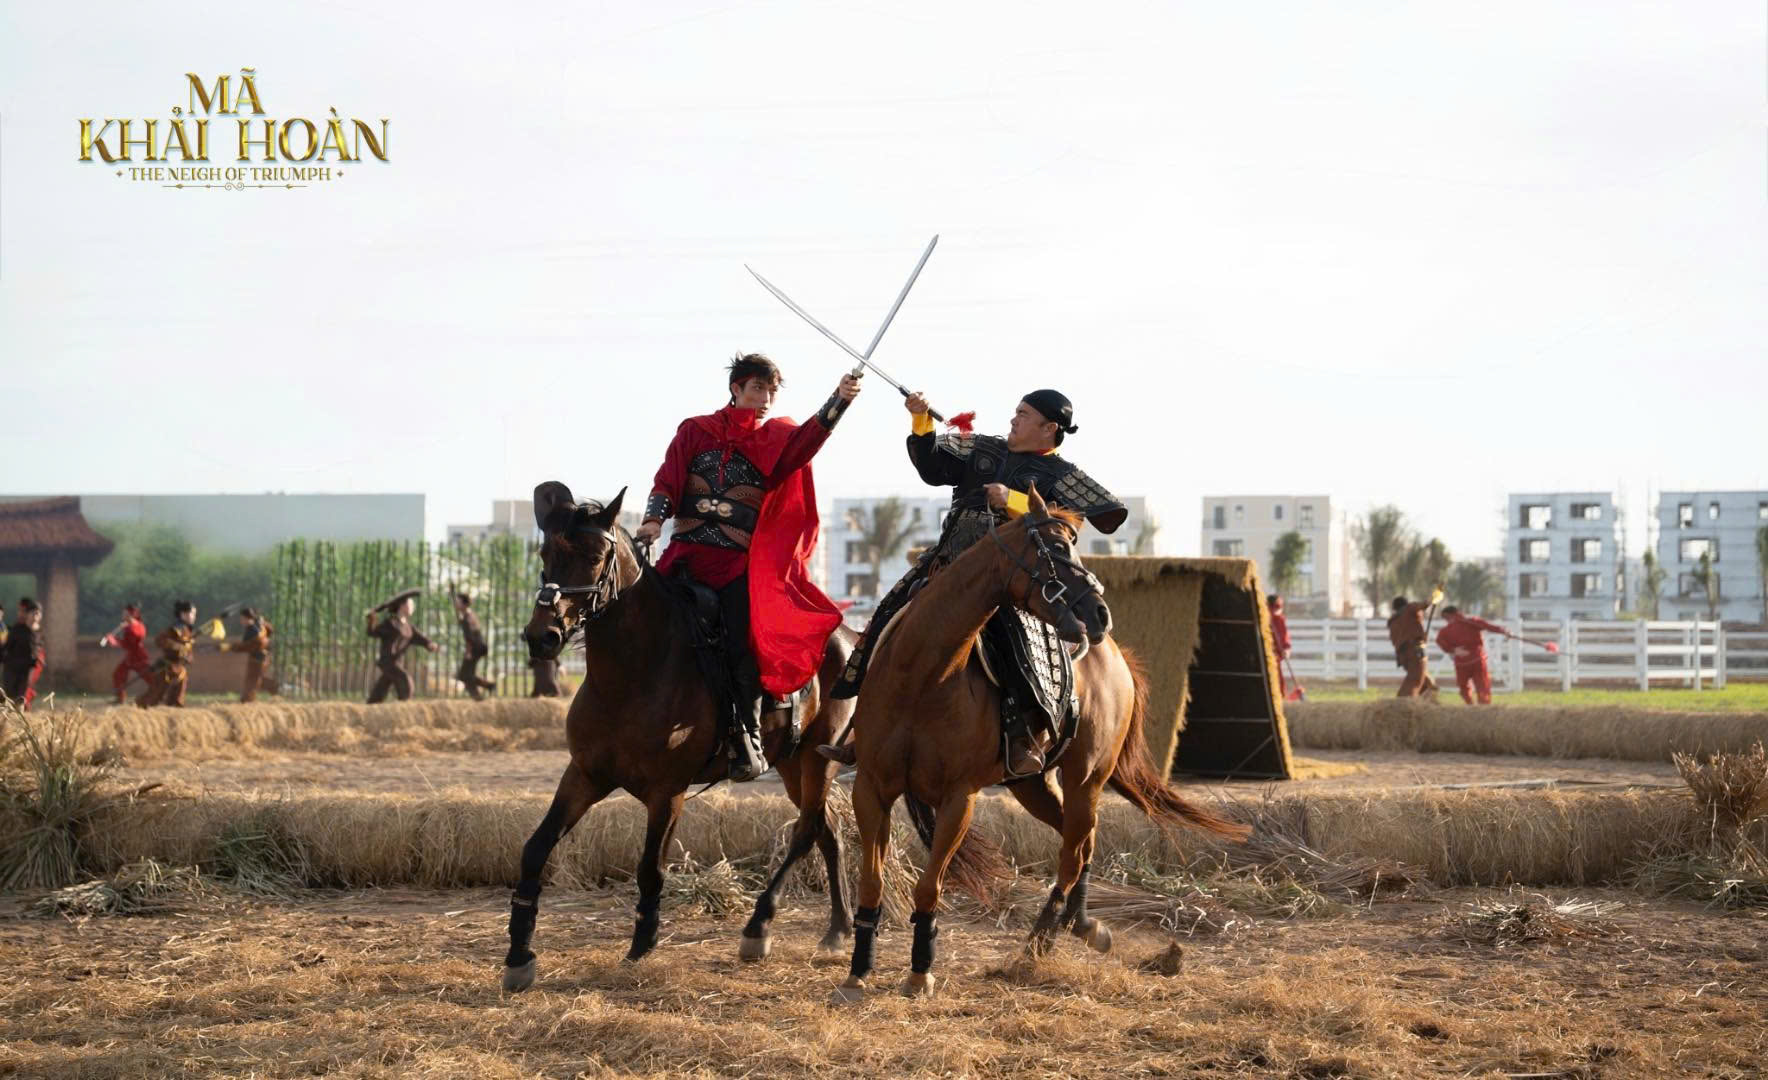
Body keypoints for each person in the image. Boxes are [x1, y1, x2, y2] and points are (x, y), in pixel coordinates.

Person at [824, 387, 1126, 776]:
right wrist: (920, 421)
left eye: (1023, 414)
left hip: (1009, 585)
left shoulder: (1062, 475)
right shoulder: (982, 448)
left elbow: (1073, 522)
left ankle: (1025, 737)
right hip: (944, 567)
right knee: (884, 623)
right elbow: (932, 468)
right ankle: (861, 728)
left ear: (1049, 427)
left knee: (1019, 647)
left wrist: (1015, 500)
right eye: (1015, 411)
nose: (1014, 419)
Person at [635, 352, 862, 781]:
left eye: (772, 391)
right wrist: (652, 521)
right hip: (683, 556)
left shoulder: (777, 439)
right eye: (758, 388)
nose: (766, 398)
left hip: (736, 566)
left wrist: (840, 400)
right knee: (640, 623)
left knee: (742, 647)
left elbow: (810, 439)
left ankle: (747, 740)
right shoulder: (695, 430)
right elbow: (667, 479)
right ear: (736, 388)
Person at [366, 595, 438, 703]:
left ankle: (371, 705)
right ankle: (404, 706)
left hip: (397, 662)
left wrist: (429, 644)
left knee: (382, 686)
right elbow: (372, 632)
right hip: (388, 661)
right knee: (405, 681)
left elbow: (421, 638)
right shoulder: (390, 623)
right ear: (403, 606)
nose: (413, 607)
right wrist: (372, 619)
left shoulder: (409, 627)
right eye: (410, 604)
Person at [1434, 606, 1507, 705]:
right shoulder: (1471, 622)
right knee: (1482, 686)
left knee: (1463, 686)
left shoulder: (1445, 631)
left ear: (1447, 616)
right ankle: (1484, 708)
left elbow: (1439, 641)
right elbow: (1488, 626)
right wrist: (1503, 631)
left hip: (1461, 663)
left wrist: (1452, 650)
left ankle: (1470, 705)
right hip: (1477, 660)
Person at [138, 600, 199, 708]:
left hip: (179, 670)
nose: (194, 616)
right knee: (154, 697)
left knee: (176, 699)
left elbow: (188, 650)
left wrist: (188, 656)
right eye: (192, 613)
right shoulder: (175, 629)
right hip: (167, 669)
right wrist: (179, 647)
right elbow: (160, 640)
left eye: (195, 614)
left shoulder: (188, 631)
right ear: (183, 614)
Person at [1387, 590, 1443, 700]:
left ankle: (1430, 702)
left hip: (1403, 655)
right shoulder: (1409, 609)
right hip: (1415, 650)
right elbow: (1423, 605)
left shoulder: (1393, 621)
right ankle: (1402, 704)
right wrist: (1434, 597)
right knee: (1416, 679)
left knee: (1423, 680)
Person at [98, 602, 152, 704]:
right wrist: (114, 638)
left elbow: (130, 643)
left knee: (149, 677)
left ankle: (160, 694)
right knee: (118, 675)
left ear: (131, 615)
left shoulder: (137, 626)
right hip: (130, 657)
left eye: (126, 614)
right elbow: (126, 643)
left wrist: (114, 640)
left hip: (139, 657)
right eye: (124, 613)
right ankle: (120, 699)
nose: (123, 615)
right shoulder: (129, 626)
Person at [219, 607, 274, 703]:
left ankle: (247, 700)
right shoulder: (256, 627)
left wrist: (230, 647)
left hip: (258, 659)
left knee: (252, 680)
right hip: (259, 658)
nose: (241, 621)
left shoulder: (254, 630)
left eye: (242, 618)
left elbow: (247, 646)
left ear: (247, 618)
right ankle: (275, 688)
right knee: (257, 679)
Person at [1, 597, 45, 710]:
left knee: (21, 698)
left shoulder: (39, 633)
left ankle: (19, 720)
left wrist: (35, 666)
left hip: (26, 671)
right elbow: (6, 648)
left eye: (38, 614)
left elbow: (38, 652)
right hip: (12, 669)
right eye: (32, 613)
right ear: (28, 615)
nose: (35, 616)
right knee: (9, 698)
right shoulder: (17, 630)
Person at [453, 593, 496, 700]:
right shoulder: (468, 614)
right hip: (479, 647)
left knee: (464, 675)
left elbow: (469, 637)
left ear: (464, 604)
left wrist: (468, 652)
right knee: (466, 674)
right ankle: (488, 687)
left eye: (458, 601)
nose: (456, 604)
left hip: (475, 648)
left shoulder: (467, 618)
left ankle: (479, 694)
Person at [1267, 593, 1292, 697]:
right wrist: (1286, 648)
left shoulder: (1274, 618)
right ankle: (1280, 696)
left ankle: (1280, 696)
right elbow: (1284, 636)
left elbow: (1283, 635)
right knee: (1276, 676)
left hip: (1273, 654)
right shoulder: (1277, 618)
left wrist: (1286, 648)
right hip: (1271, 654)